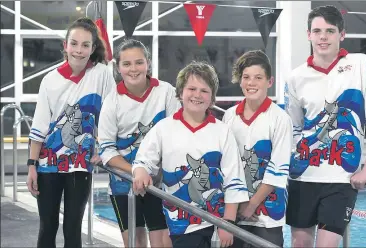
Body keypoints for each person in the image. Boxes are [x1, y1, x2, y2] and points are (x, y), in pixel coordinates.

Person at [284, 5, 366, 247]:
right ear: (308, 35)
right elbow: (292, 128)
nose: (323, 37)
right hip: (303, 177)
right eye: (317, 31)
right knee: (299, 244)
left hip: (341, 179)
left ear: (341, 35)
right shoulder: (296, 77)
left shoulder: (361, 65)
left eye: (330, 31)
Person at [131, 61, 249, 248]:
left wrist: (228, 223)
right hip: (181, 223)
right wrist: (141, 171)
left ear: (212, 98)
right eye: (191, 88)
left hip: (217, 221)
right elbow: (143, 160)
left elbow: (234, 178)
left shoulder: (222, 131)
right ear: (180, 93)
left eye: (204, 91)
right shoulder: (164, 128)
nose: (197, 95)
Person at [26, 17, 116, 248]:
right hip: (48, 163)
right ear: (65, 45)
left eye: (85, 45)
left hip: (79, 163)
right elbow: (40, 126)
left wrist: (104, 149)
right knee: (48, 226)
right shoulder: (50, 80)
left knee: (73, 227)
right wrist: (31, 166)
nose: (79, 50)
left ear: (93, 48)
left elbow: (111, 116)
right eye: (74, 43)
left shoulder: (102, 74)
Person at [97, 38, 179, 248]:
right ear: (118, 67)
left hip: (161, 182)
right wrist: (137, 170)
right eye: (127, 64)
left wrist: (155, 171)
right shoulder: (112, 101)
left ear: (148, 63)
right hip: (123, 182)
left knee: (162, 242)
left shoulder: (166, 92)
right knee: (135, 243)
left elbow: (177, 134)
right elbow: (106, 150)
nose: (133, 69)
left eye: (139, 62)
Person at [222, 50, 292, 248]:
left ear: (269, 82)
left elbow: (278, 168)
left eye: (258, 77)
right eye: (246, 77)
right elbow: (226, 164)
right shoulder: (229, 116)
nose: (251, 83)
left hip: (268, 213)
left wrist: (251, 204)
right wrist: (239, 203)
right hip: (235, 208)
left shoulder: (279, 119)